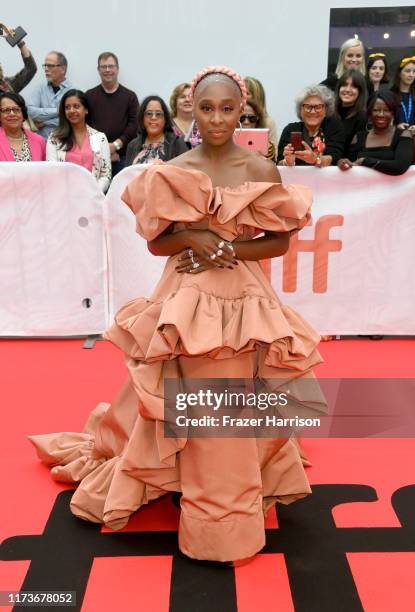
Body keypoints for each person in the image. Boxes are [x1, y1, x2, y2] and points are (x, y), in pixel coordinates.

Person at [29, 65, 325, 564]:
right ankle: (193, 486)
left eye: (227, 109)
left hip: (242, 297)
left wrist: (227, 247)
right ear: (193, 108)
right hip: (184, 294)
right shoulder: (175, 165)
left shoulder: (261, 170)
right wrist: (191, 238)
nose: (216, 119)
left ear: (242, 110)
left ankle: (224, 510)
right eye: (207, 108)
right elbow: (156, 241)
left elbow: (279, 242)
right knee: (183, 392)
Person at [46, 89, 111, 192]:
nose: (71, 110)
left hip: (93, 198)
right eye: (67, 107)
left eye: (76, 106)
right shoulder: (54, 138)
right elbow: (52, 172)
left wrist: (94, 194)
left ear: (86, 110)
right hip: (65, 198)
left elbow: (106, 174)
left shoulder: (100, 138)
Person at [86, 52, 139, 177]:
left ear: (117, 69)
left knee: (120, 194)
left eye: (111, 66)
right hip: (95, 156)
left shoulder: (130, 96)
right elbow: (85, 125)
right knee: (96, 194)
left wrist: (115, 146)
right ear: (98, 70)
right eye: (103, 67)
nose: (107, 70)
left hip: (122, 157)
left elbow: (134, 125)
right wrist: (104, 150)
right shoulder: (89, 95)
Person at [338, 91, 412, 176]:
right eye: (376, 110)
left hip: (393, 189)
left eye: (386, 110)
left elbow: (400, 167)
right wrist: (343, 162)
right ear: (369, 113)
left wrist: (365, 161)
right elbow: (351, 164)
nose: (381, 114)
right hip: (363, 188)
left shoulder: (403, 135)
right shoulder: (358, 137)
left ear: (393, 113)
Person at [278, 84, 345, 167]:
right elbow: (279, 163)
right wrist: (288, 162)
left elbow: (334, 157)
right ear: (300, 110)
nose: (313, 111)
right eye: (308, 107)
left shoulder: (334, 127)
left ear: (326, 109)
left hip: (327, 179)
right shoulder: (290, 129)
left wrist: (315, 159)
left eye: (318, 107)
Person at [125, 95, 187, 165]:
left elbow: (184, 172)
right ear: (142, 118)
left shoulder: (177, 143)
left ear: (165, 119)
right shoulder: (132, 145)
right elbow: (127, 174)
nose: (153, 117)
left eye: (158, 114)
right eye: (149, 113)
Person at [26, 51, 72, 140]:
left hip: (64, 145)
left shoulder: (73, 91)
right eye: (45, 66)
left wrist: (44, 122)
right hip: (41, 145)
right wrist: (60, 111)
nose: (46, 69)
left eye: (50, 66)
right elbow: (30, 112)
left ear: (62, 69)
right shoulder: (39, 88)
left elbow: (72, 119)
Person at [0, 92, 45, 161]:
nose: (12, 114)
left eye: (16, 109)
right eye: (6, 110)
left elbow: (44, 169)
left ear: (23, 114)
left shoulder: (39, 140)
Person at [334, 69, 367, 150]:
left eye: (353, 86)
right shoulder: (329, 113)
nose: (348, 90)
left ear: (360, 91)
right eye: (344, 85)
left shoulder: (362, 117)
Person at [244, 76, 278, 151]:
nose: (242, 96)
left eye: (247, 93)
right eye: (241, 93)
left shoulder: (268, 122)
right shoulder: (233, 119)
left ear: (257, 96)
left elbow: (273, 156)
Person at [390, 56, 415, 134]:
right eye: (407, 71)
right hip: (396, 139)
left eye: (414, 71)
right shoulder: (390, 95)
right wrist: (396, 127)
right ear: (399, 73)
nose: (411, 75)